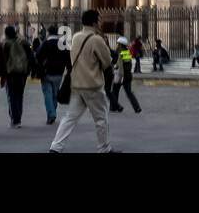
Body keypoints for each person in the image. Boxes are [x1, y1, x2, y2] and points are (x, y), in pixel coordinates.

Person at [49, 10, 115, 153]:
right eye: (99, 20)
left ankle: (56, 147)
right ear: (94, 22)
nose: (100, 23)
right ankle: (104, 148)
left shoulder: (76, 37)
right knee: (101, 118)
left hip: (77, 84)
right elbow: (107, 62)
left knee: (70, 117)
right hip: (92, 86)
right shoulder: (96, 39)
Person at [1, 25, 36, 128]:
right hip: (22, 73)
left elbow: (3, 60)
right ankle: (18, 117)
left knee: (11, 96)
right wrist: (32, 70)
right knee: (19, 95)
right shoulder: (24, 42)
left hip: (10, 73)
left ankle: (15, 119)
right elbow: (31, 57)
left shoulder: (5, 44)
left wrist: (2, 74)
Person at [36, 27, 69, 125]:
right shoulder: (63, 44)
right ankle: (53, 112)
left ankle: (51, 114)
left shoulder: (45, 43)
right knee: (55, 94)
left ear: (48, 33)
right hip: (59, 72)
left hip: (46, 72)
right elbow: (68, 58)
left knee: (47, 94)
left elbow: (38, 55)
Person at [110, 35, 142, 114]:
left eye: (118, 44)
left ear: (120, 45)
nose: (117, 45)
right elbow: (126, 65)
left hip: (122, 76)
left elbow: (123, 66)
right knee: (128, 92)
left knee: (115, 91)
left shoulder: (122, 53)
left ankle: (114, 107)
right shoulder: (125, 52)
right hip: (127, 76)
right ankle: (137, 107)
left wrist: (121, 75)